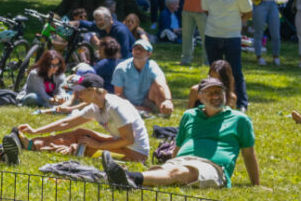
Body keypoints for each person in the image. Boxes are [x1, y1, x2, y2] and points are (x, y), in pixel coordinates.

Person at [104, 78, 259, 191]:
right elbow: (178, 146)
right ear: (200, 97)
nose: (216, 96)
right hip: (181, 161)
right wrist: (172, 162)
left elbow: (249, 154)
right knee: (164, 173)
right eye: (210, 93)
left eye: (218, 92)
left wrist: (256, 185)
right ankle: (117, 178)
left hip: (212, 167)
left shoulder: (240, 120)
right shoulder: (190, 115)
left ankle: (129, 177)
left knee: (177, 173)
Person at [12, 73, 150, 162]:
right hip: (120, 142)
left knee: (82, 147)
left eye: (80, 91)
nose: (77, 95)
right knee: (80, 133)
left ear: (93, 91)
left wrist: (99, 145)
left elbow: (128, 139)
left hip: (135, 153)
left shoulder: (116, 107)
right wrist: (36, 131)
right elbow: (65, 123)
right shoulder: (95, 106)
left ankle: (39, 147)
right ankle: (32, 142)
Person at [201, 0, 252, 110]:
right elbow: (206, 11)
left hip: (232, 37)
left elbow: (248, 13)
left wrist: (231, 23)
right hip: (212, 36)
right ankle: (214, 101)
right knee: (213, 72)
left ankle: (241, 103)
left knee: (236, 71)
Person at [111, 37, 173, 116]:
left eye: (141, 49)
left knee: (156, 86)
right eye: (135, 48)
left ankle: (164, 111)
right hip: (128, 103)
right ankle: (149, 111)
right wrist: (135, 107)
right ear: (132, 51)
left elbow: (162, 85)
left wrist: (168, 100)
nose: (138, 51)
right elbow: (118, 94)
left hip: (146, 101)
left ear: (149, 54)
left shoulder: (152, 65)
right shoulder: (121, 68)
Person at [249, 0, 284, 64]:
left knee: (275, 32)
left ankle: (276, 56)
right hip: (260, 6)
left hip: (272, 4)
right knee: (259, 31)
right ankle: (259, 56)